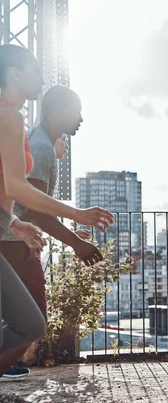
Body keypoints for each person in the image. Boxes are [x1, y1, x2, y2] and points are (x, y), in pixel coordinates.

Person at [0, 44, 113, 370]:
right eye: (35, 71)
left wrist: (14, 224)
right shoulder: (9, 116)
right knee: (30, 323)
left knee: (31, 324)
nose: (41, 77)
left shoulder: (11, 118)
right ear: (15, 74)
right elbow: (17, 187)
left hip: (4, 228)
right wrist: (77, 215)